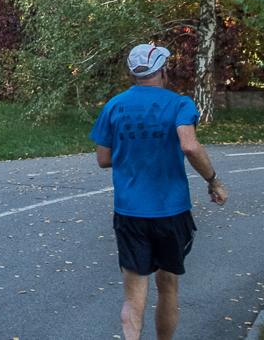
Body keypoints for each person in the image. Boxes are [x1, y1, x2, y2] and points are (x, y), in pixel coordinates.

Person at [89, 43, 228, 340]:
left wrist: (132, 153)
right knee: (168, 288)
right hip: (171, 211)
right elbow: (189, 145)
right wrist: (213, 180)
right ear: (164, 70)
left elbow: (103, 159)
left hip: (130, 212)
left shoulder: (114, 105)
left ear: (132, 73)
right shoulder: (179, 104)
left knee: (133, 297)